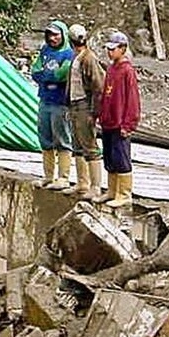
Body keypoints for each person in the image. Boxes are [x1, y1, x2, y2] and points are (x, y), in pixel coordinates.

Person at [92, 31, 141, 208]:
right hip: (108, 121)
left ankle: (124, 193)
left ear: (123, 49)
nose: (110, 52)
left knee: (122, 158)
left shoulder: (128, 71)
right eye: (109, 49)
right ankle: (112, 190)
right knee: (110, 158)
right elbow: (106, 95)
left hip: (120, 122)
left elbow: (133, 100)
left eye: (113, 49)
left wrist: (129, 123)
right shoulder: (111, 68)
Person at [63, 24, 106, 200]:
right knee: (78, 146)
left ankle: (95, 186)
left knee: (89, 146)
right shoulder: (77, 57)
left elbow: (98, 87)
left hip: (83, 105)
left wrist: (94, 112)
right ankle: (82, 183)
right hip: (75, 104)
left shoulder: (89, 59)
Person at [31, 21, 75, 190]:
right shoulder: (45, 51)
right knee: (45, 139)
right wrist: (47, 76)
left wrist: (47, 75)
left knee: (62, 138)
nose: (53, 38)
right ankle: (48, 176)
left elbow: (61, 75)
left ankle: (63, 177)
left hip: (60, 103)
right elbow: (35, 72)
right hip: (44, 100)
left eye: (56, 34)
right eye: (50, 34)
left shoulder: (68, 54)